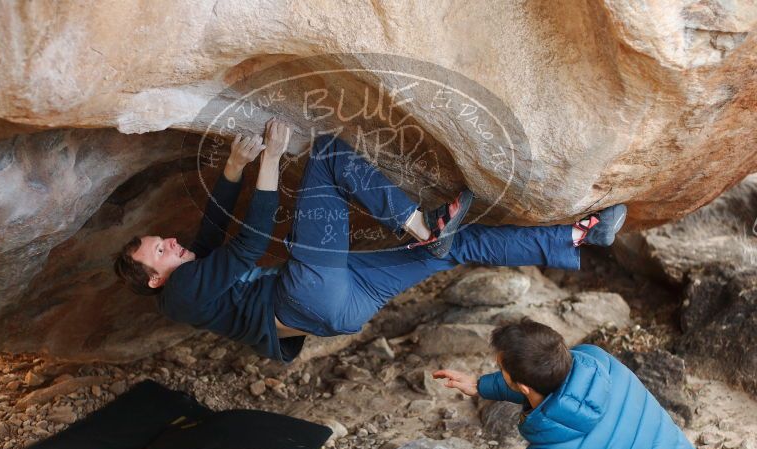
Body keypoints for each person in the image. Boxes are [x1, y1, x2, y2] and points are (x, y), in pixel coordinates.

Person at [113, 117, 627, 362]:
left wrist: (232, 167)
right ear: (155, 279)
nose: (171, 243)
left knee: (462, 244)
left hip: (341, 305)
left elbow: (212, 228)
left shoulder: (189, 276)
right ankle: (425, 229)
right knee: (329, 155)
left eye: (163, 239)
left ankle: (578, 236)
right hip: (305, 296)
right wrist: (269, 159)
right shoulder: (180, 296)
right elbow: (246, 246)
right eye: (160, 250)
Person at [393, 319, 721, 449]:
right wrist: (481, 386)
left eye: (501, 371)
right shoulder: (596, 362)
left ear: (520, 385)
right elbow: (545, 382)